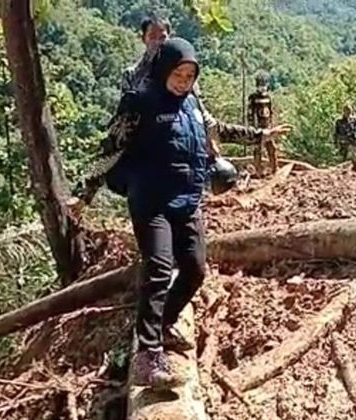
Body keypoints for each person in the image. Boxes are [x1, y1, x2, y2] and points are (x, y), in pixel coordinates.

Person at [88, 38, 290, 388]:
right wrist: (83, 193)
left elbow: (218, 130)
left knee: (195, 269)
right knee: (160, 267)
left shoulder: (193, 103)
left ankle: (162, 324)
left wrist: (261, 135)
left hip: (187, 198)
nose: (183, 81)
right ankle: (148, 356)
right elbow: (110, 148)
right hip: (151, 200)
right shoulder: (140, 102)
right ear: (165, 70)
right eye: (178, 74)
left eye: (190, 75)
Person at [120, 16, 170, 94]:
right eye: (152, 37)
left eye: (162, 37)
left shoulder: (181, 71)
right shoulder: (131, 75)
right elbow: (126, 105)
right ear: (144, 39)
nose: (157, 42)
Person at [247, 71, 278, 176]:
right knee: (257, 150)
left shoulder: (268, 97)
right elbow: (250, 113)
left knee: (272, 148)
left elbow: (271, 112)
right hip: (258, 128)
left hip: (268, 127)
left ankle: (274, 169)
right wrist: (253, 127)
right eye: (261, 84)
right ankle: (258, 171)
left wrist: (272, 126)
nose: (263, 87)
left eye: (264, 84)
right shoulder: (253, 97)